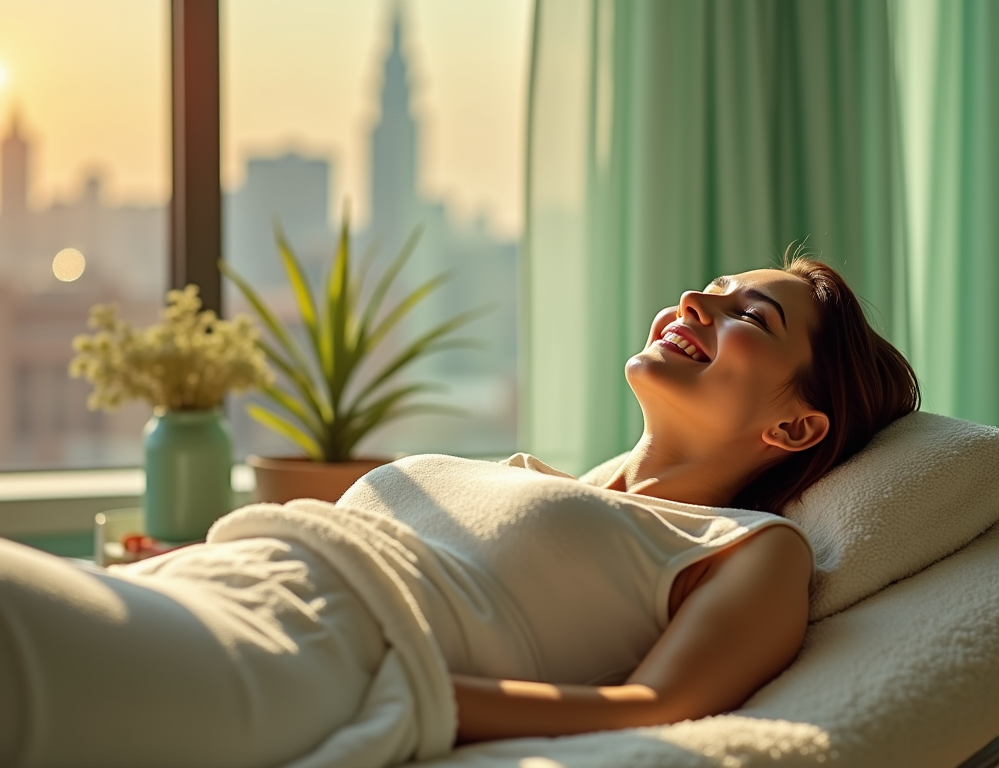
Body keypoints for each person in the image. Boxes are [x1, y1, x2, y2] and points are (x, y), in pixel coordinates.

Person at [0, 250, 919, 767]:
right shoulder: (529, 475)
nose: (694, 301)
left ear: (798, 428)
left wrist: (399, 694)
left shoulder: (747, 547)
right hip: (216, 583)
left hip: (314, 655)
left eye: (749, 319)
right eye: (712, 289)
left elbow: (658, 704)